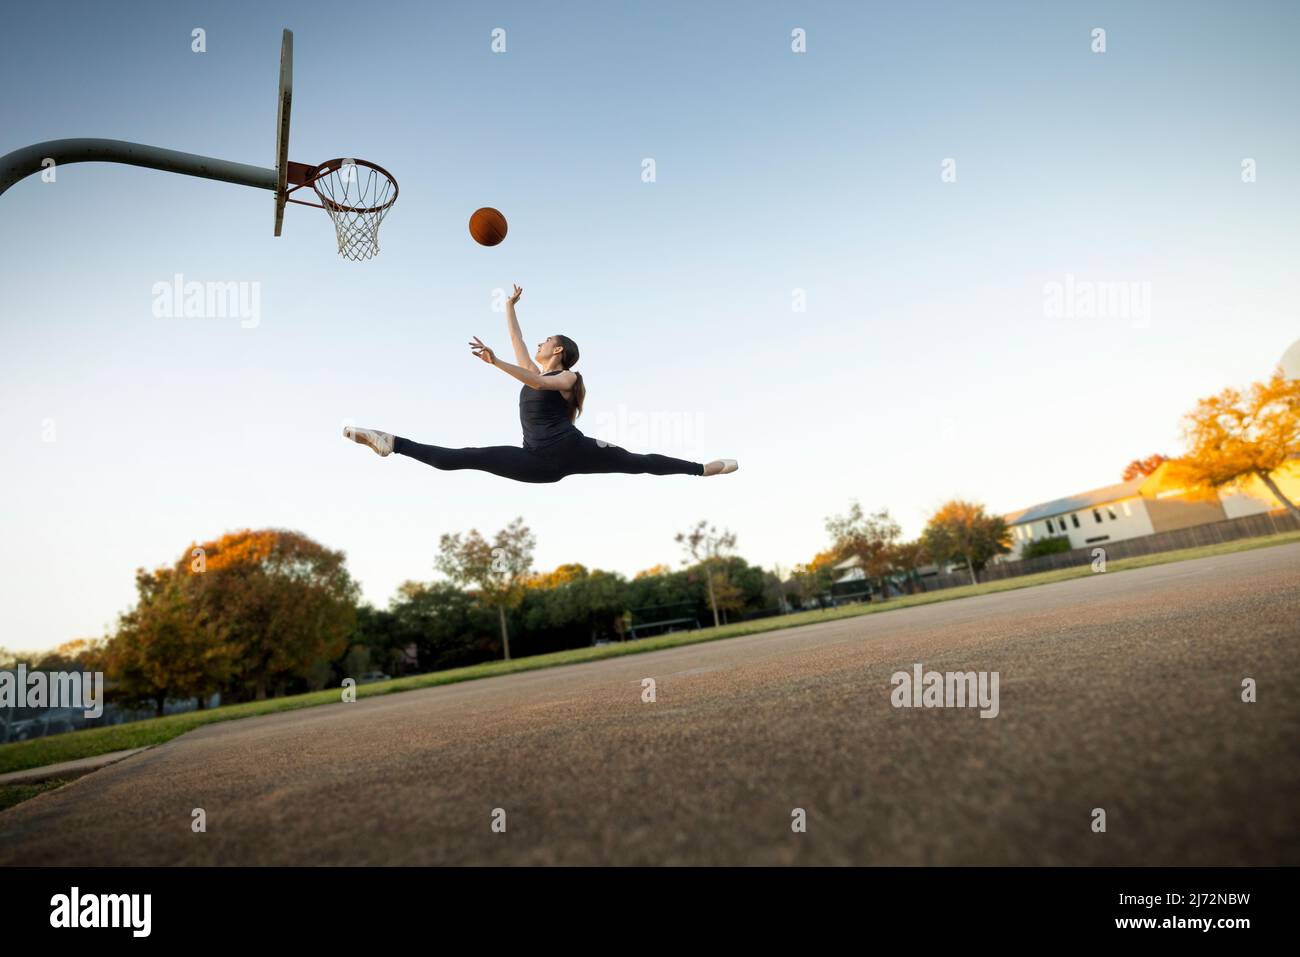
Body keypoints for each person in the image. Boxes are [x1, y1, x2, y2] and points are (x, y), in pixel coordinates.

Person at [343, 284, 737, 483]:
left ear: (560, 349)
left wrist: (496, 362)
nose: (539, 343)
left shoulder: (569, 377)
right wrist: (509, 308)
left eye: (547, 340)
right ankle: (390, 443)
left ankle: (702, 469)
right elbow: (520, 349)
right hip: (538, 464)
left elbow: (532, 377)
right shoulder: (537, 368)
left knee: (636, 463)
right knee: (462, 457)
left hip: (570, 449)